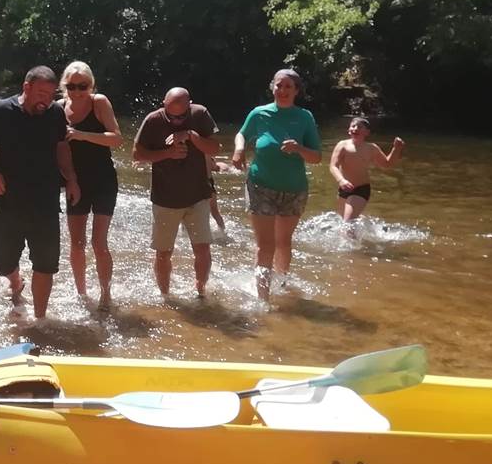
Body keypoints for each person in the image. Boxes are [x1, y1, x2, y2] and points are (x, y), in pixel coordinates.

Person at [0, 66, 81, 320]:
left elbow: (61, 147)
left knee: (46, 264)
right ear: (26, 88)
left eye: (51, 94)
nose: (46, 99)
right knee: (2, 263)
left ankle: (40, 318)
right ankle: (15, 281)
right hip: (7, 200)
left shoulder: (55, 113)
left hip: (45, 202)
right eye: (41, 93)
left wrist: (72, 179)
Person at [233, 68, 321, 301]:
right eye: (278, 85)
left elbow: (316, 157)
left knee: (283, 242)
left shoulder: (305, 117)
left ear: (296, 91)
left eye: (288, 87)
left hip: (294, 189)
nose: (282, 90)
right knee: (266, 245)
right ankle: (263, 297)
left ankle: (280, 285)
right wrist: (239, 149)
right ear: (272, 87)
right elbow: (242, 134)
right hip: (260, 185)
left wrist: (299, 148)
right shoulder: (259, 113)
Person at [133, 88, 220, 297]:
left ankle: (200, 291)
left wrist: (191, 135)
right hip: (165, 198)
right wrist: (168, 154)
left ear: (189, 105)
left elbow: (215, 148)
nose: (177, 120)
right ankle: (165, 295)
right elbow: (137, 154)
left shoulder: (200, 114)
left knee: (202, 249)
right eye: (172, 116)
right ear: (164, 104)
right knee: (163, 253)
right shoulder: (153, 120)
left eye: (182, 117)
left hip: (197, 195)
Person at [57, 61, 123, 308]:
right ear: (65, 86)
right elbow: (57, 149)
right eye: (71, 86)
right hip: (75, 182)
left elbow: (116, 139)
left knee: (99, 242)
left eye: (82, 86)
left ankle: (106, 294)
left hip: (104, 180)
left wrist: (81, 134)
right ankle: (82, 294)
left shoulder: (100, 102)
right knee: (77, 243)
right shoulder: (59, 108)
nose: (76, 91)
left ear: (91, 84)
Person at [329, 117, 405, 226]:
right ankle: (366, 228)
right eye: (353, 126)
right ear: (349, 130)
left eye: (359, 127)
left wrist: (396, 149)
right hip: (344, 188)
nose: (355, 128)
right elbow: (333, 166)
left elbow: (387, 164)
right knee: (343, 222)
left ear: (367, 132)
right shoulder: (342, 145)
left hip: (361, 189)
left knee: (347, 224)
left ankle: (352, 243)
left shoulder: (371, 148)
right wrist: (341, 180)